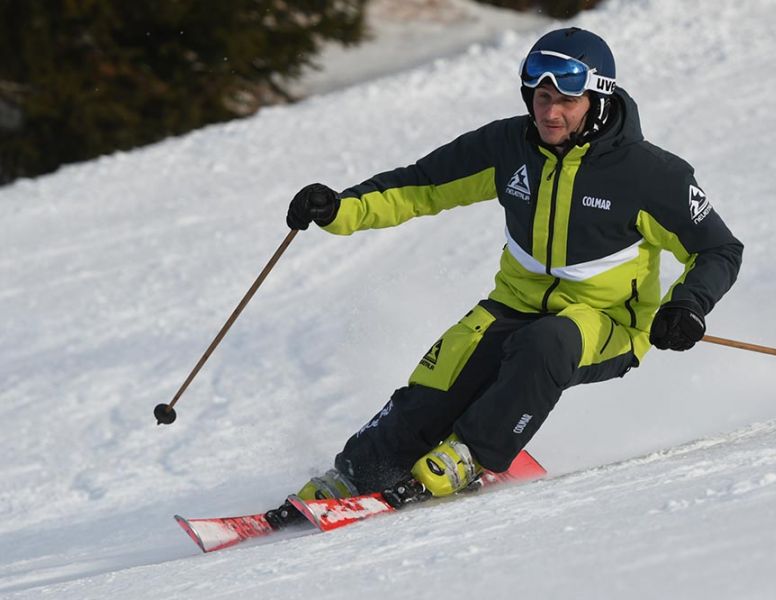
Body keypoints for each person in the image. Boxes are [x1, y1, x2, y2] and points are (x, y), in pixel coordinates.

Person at [268, 27, 743, 525]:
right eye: (541, 97)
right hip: (513, 305)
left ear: (598, 100)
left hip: (607, 324)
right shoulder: (509, 146)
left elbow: (719, 248)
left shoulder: (650, 175)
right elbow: (420, 185)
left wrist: (688, 305)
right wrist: (338, 209)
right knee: (443, 375)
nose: (549, 113)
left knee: (547, 342)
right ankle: (358, 472)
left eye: (566, 100)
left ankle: (472, 455)